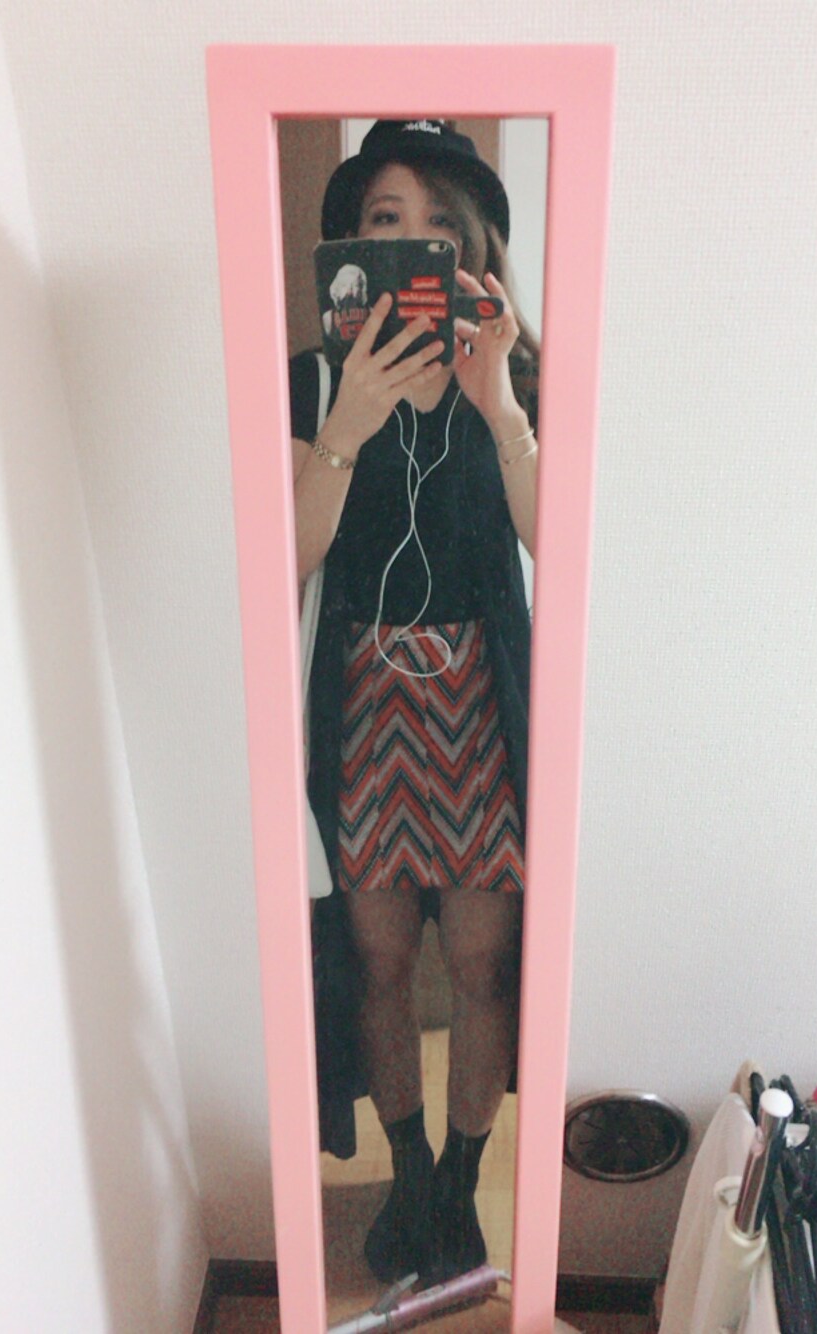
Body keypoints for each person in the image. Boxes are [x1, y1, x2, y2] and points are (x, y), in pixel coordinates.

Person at [289, 119, 539, 1285]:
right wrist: (346, 421)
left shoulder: (518, 370)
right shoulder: (311, 377)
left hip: (480, 701)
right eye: (384, 221)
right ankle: (407, 1169)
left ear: (475, 244)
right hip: (363, 699)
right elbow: (284, 556)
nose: (412, 242)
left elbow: (563, 542)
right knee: (379, 962)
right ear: (350, 247)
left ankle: (460, 1173)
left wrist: (501, 406)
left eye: (438, 223)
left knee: (483, 966)